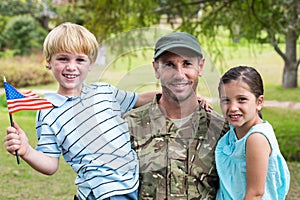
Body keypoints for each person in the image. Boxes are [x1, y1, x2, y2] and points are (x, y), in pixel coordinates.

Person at [4, 22, 157, 200]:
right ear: (48, 61)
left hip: (134, 184)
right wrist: (26, 151)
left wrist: (180, 97)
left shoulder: (104, 91)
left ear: (90, 63)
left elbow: (139, 99)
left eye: (80, 60)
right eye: (63, 59)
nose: (71, 66)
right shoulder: (48, 112)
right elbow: (50, 164)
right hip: (103, 193)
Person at [123, 32, 229, 199]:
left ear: (200, 67)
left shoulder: (221, 130)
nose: (179, 74)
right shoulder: (128, 126)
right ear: (156, 69)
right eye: (169, 65)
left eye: (187, 64)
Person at [215, 66, 290, 199]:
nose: (232, 108)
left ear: (259, 102)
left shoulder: (256, 139)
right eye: (226, 100)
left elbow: (255, 194)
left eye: (241, 99)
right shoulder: (236, 129)